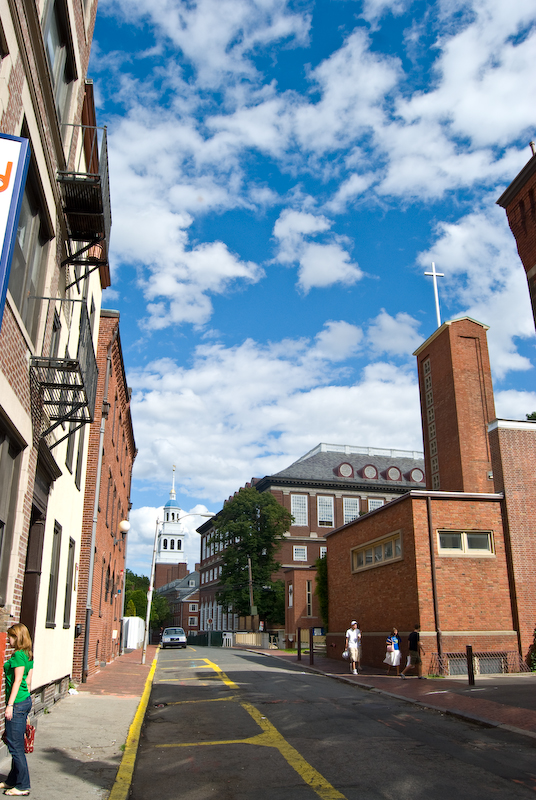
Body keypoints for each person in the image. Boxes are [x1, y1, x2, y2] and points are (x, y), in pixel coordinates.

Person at [1, 623, 34, 796]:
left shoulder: (18, 656)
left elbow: (17, 680)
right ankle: (12, 781)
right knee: (15, 743)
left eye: (11, 636)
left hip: (18, 703)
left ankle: (22, 786)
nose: (8, 639)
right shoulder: (28, 655)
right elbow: (27, 682)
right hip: (24, 701)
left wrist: (10, 706)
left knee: (15, 747)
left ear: (19, 637)